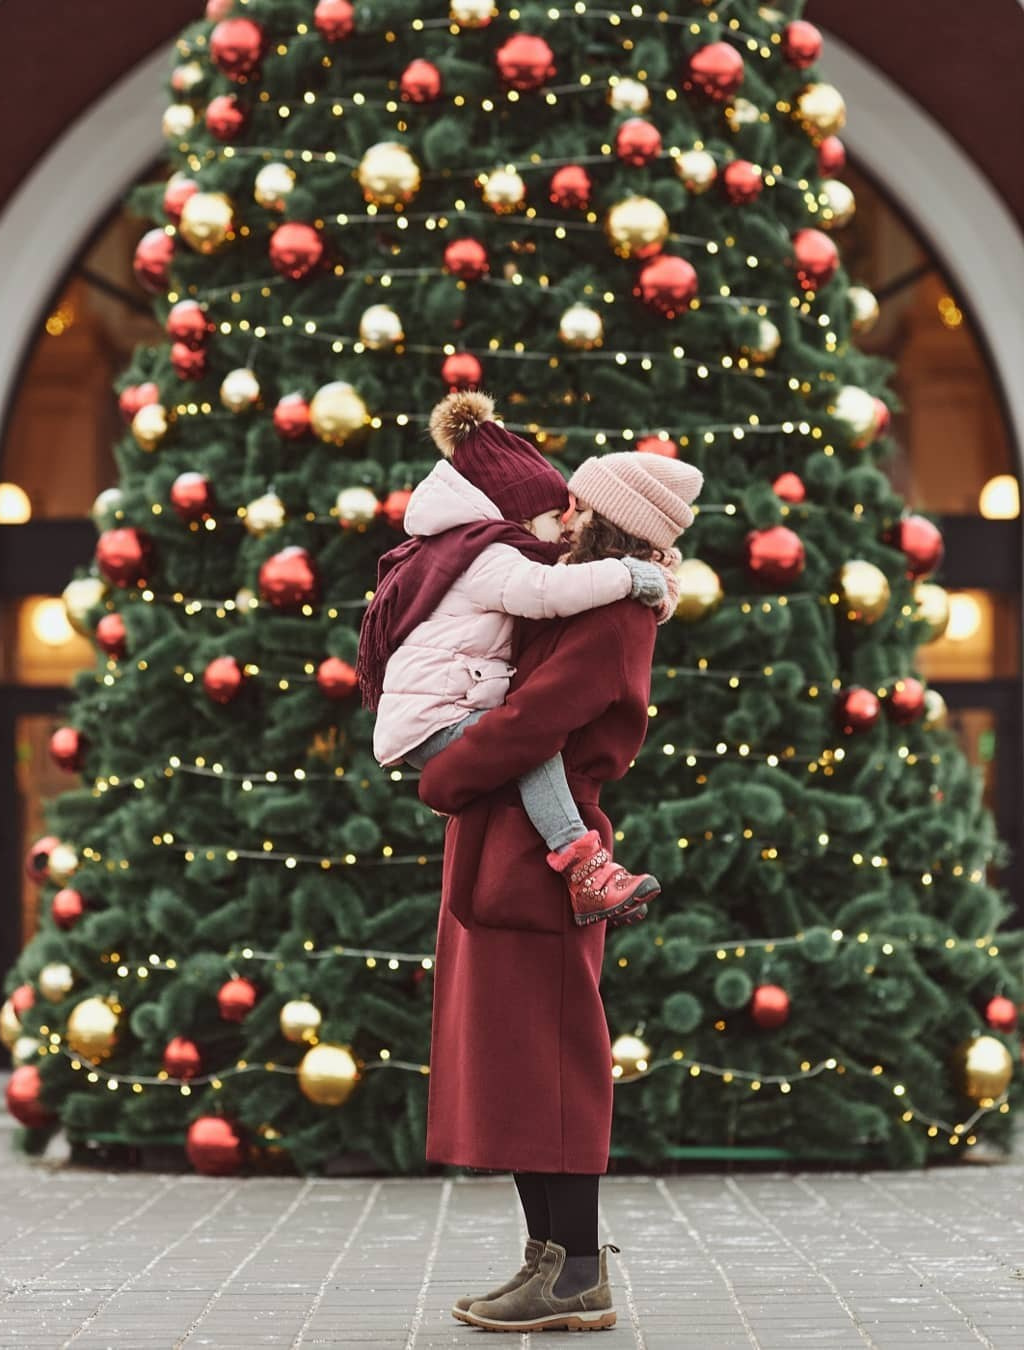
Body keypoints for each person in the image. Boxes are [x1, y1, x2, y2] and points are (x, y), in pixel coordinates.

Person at [416, 450, 703, 1334]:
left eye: (581, 502)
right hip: (511, 842)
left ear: (611, 518)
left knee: (554, 1057)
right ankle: (550, 1261)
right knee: (515, 1066)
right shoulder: (579, 590)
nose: (564, 512)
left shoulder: (616, 612)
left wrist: (442, 773)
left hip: (548, 853)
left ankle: (578, 1267)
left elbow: (537, 720)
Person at [358, 390, 681, 926]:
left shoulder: (477, 553)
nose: (565, 527)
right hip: (449, 738)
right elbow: (546, 594)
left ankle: (586, 869)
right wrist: (632, 575)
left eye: (577, 511)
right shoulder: (490, 558)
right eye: (558, 513)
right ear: (526, 515)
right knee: (534, 750)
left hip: (493, 820)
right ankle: (583, 866)